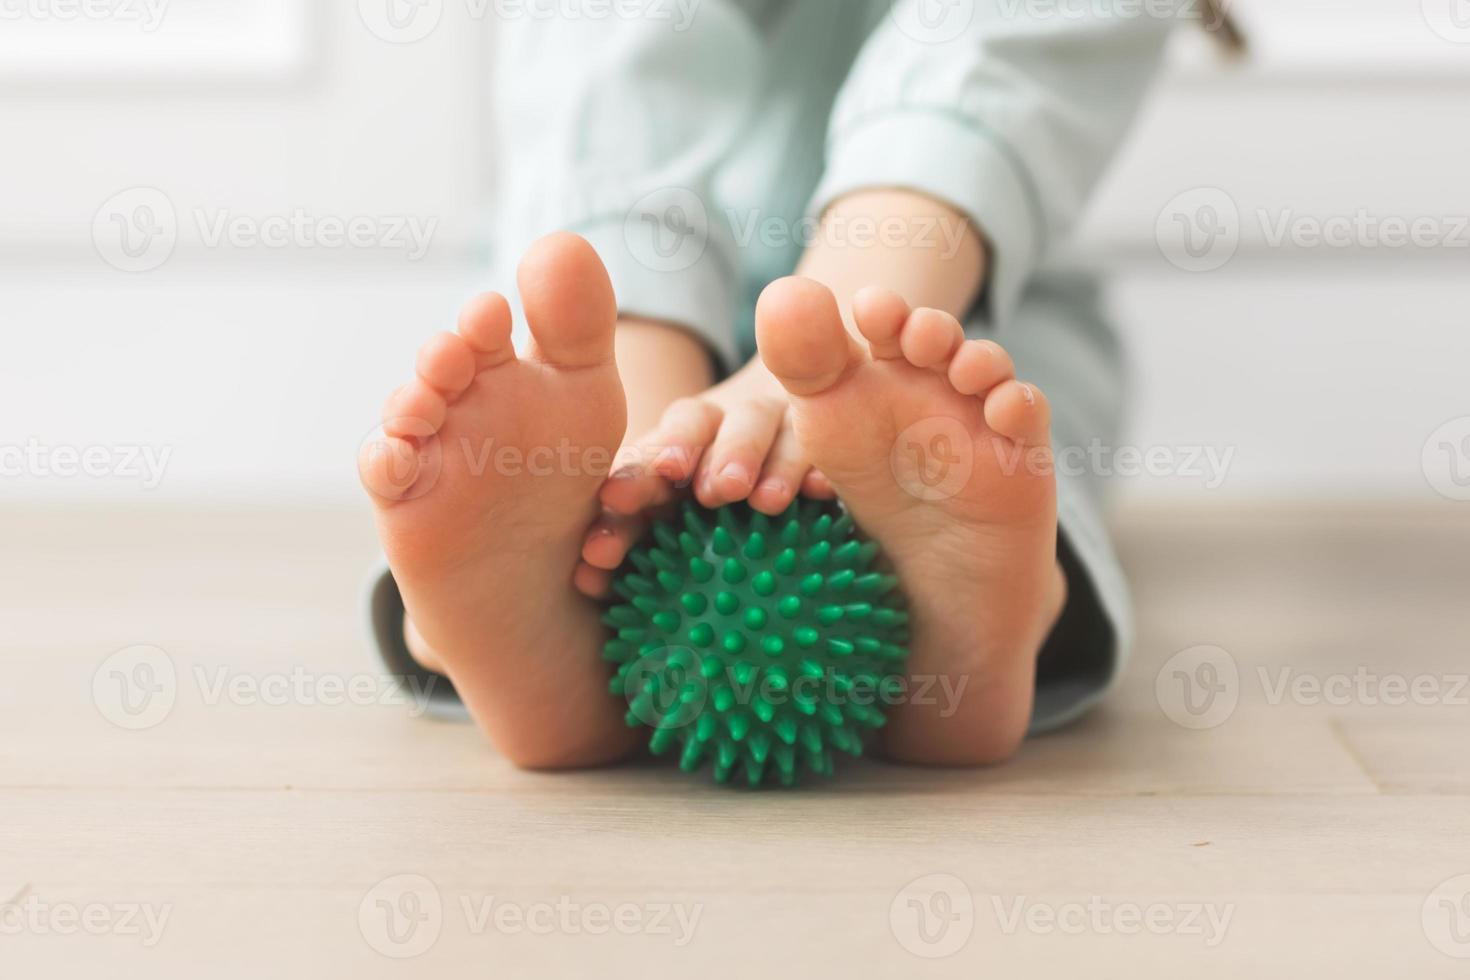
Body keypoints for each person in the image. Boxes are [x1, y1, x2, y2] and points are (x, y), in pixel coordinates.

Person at [359, 0, 1184, 768]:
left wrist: (863, 295)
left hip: (963, 283)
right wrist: (638, 357)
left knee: (983, 410)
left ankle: (980, 610)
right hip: (629, 317)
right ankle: (615, 450)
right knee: (1001, 403)